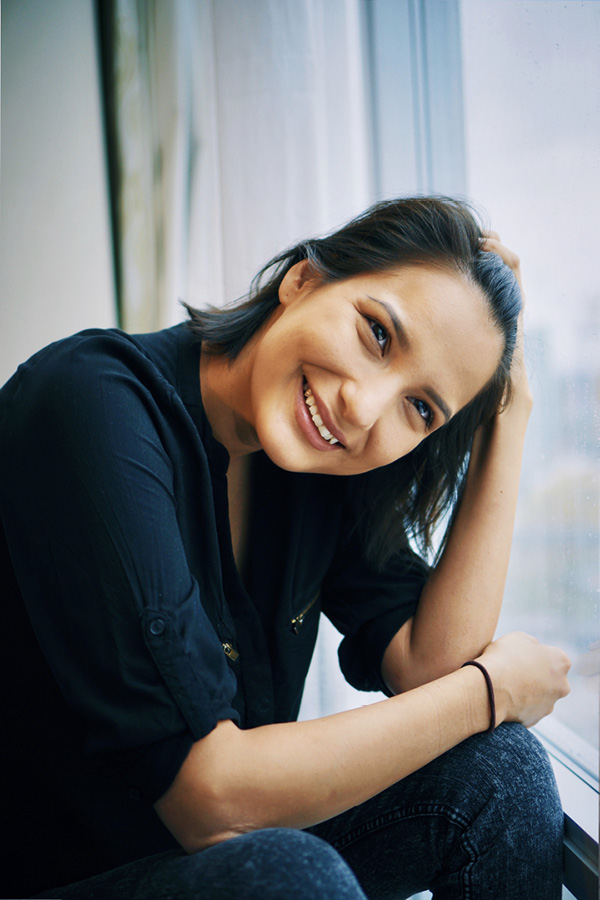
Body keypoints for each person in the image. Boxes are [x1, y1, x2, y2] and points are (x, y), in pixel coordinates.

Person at [0, 197, 571, 900]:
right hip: (60, 879)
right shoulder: (90, 401)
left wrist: (507, 424)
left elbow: (428, 663)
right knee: (290, 876)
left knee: (503, 772)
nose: (363, 409)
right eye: (377, 335)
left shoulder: (315, 465)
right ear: (302, 279)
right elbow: (208, 798)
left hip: (214, 864)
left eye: (420, 409)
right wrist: (492, 690)